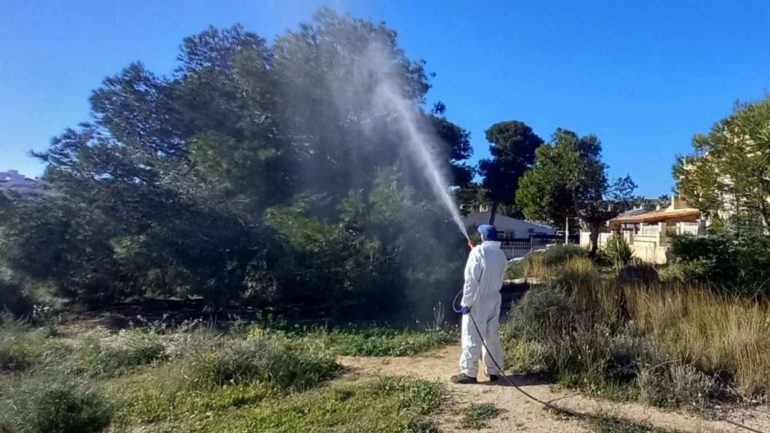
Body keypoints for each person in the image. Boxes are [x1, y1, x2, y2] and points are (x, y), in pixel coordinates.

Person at [451, 224, 508, 384]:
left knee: (471, 336)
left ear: (483, 237)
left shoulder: (478, 253)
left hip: (478, 300)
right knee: (492, 336)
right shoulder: (500, 254)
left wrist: (466, 303)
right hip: (495, 299)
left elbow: (471, 281)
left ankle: (469, 373)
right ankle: (494, 371)